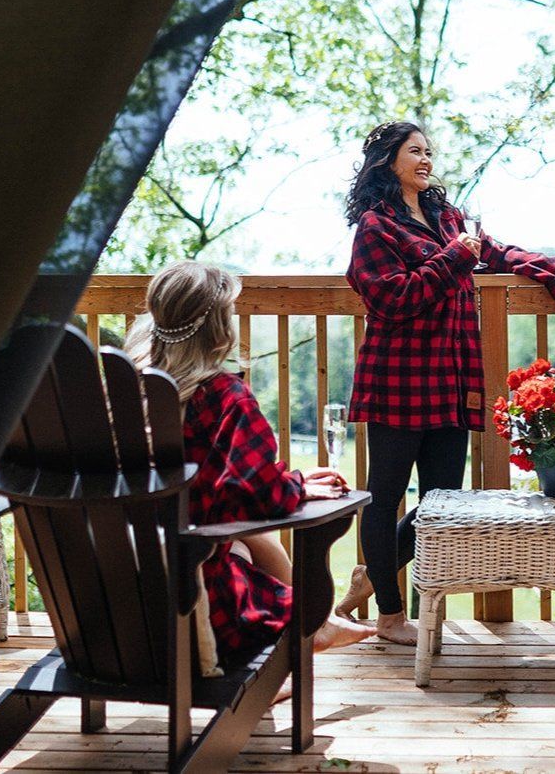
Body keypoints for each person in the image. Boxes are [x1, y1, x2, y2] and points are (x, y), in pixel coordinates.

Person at [336, 120, 555, 645]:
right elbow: (393, 299)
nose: (425, 160)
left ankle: (375, 575)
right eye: (414, 152)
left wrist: (553, 270)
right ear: (387, 161)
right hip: (397, 379)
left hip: (449, 378)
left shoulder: (448, 218)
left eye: (429, 152)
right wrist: (456, 257)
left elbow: (497, 252)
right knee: (385, 497)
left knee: (442, 500)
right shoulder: (376, 228)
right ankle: (388, 614)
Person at [124, 261, 375, 682]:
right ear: (220, 330)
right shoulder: (225, 397)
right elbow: (257, 495)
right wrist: (293, 489)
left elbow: (220, 489)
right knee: (257, 555)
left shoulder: (131, 390)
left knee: (243, 541)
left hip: (122, 598)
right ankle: (309, 635)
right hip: (205, 605)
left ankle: (321, 629)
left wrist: (292, 482)